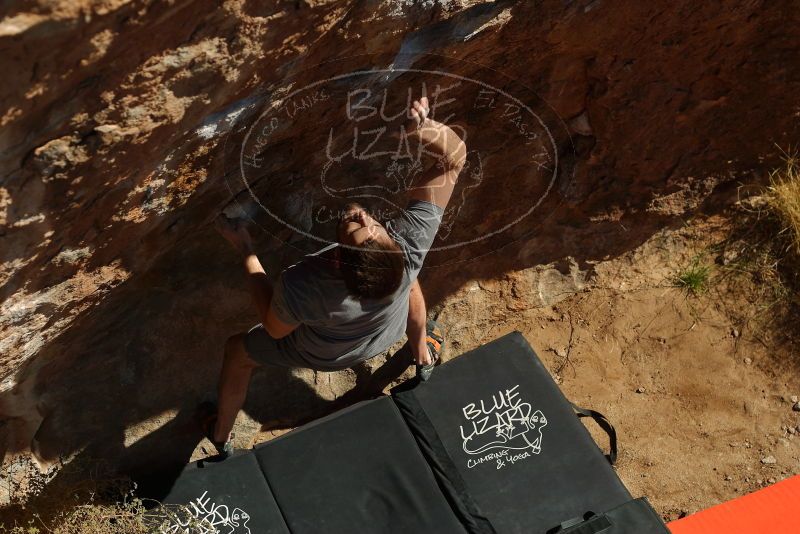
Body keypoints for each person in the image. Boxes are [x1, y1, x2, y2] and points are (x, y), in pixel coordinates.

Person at [206, 96, 467, 457]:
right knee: (407, 276)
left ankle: (220, 436)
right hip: (386, 332)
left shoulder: (308, 285)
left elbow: (275, 329)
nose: (363, 217)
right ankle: (421, 351)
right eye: (375, 227)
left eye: (357, 230)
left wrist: (247, 251)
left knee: (238, 351)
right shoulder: (408, 246)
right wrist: (423, 130)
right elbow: (455, 159)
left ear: (339, 260)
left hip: (325, 353)